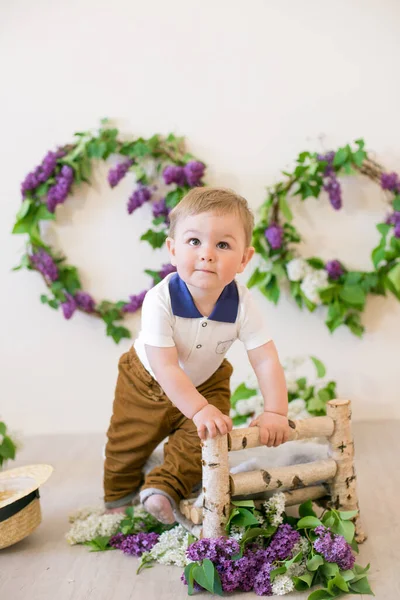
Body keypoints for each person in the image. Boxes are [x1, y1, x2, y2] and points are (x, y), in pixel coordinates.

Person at [103, 187, 289, 524]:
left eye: (222, 244)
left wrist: (275, 411)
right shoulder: (160, 300)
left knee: (206, 435)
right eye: (194, 242)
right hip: (146, 382)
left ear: (244, 259)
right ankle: (118, 497)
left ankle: (163, 489)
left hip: (206, 380)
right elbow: (166, 366)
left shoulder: (243, 304)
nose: (207, 254)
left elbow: (265, 359)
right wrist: (198, 409)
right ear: (173, 250)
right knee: (126, 444)